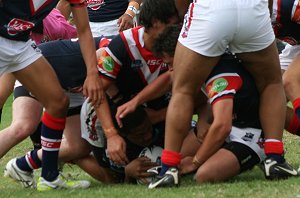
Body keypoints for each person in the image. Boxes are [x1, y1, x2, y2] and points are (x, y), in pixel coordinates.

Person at [4, 0, 179, 188]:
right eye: (172, 24)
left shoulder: (154, 53)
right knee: (23, 126)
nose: (175, 29)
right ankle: (46, 175)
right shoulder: (124, 45)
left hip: (76, 86)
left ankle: (28, 168)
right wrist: (111, 135)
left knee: (77, 147)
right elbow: (99, 85)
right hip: (43, 64)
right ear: (155, 23)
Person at [148, 0, 295, 188]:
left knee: (183, 90)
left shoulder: (218, 69)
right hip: (252, 7)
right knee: (271, 83)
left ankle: (168, 168)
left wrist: (185, 16)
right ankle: (274, 157)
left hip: (212, 10)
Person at [0, 0, 103, 191]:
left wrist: (92, 73)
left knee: (58, 101)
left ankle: (49, 177)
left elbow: (84, 30)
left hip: (20, 44)